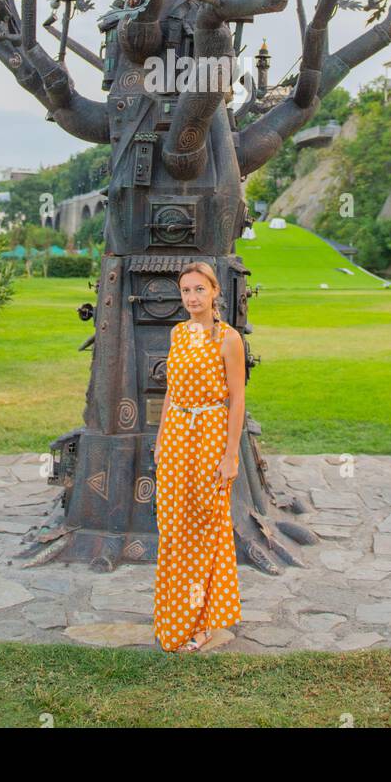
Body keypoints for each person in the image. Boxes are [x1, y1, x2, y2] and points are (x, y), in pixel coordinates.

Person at [152, 261, 245, 653]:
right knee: (174, 529)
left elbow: (237, 399)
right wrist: (159, 440)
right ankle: (173, 615)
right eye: (186, 290)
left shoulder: (228, 339)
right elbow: (171, 391)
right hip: (175, 437)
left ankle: (200, 621)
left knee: (204, 529)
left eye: (199, 290)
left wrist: (230, 454)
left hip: (209, 438)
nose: (192, 297)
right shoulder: (177, 333)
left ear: (215, 293)